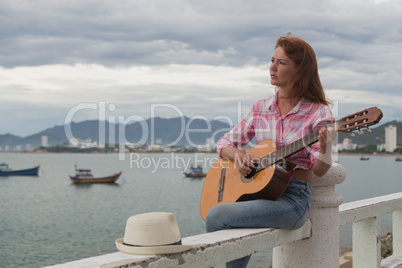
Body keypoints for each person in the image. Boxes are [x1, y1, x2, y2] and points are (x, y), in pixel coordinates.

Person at [205, 33, 337, 267]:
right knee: (223, 214)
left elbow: (319, 169)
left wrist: (325, 148)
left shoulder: (318, 112)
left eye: (281, 62)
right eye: (272, 60)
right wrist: (237, 156)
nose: (272, 67)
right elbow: (224, 142)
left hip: (294, 199)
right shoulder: (261, 108)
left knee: (218, 216)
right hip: (261, 195)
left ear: (300, 70)